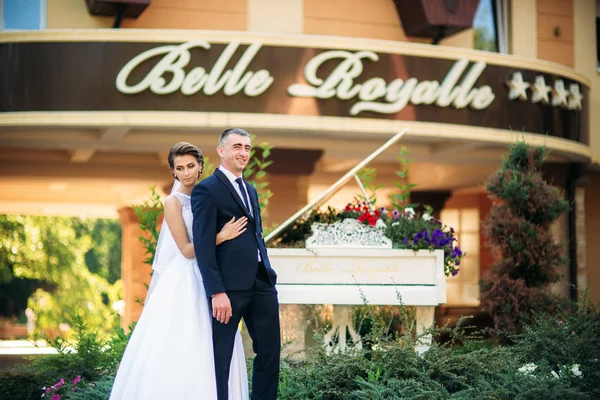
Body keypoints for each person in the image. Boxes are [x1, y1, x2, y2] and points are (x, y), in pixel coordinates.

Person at [109, 142, 250, 400]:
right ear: (173, 172)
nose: (185, 173)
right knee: (185, 340)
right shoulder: (173, 202)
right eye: (179, 168)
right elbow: (185, 249)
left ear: (200, 167)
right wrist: (221, 236)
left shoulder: (212, 194)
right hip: (186, 278)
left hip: (214, 274)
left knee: (217, 341)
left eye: (190, 166)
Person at [192, 128, 281, 400]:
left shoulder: (251, 190)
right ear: (221, 151)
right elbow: (203, 246)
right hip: (228, 290)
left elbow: (256, 235)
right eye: (237, 147)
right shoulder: (206, 190)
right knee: (221, 357)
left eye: (247, 148)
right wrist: (216, 291)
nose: (243, 153)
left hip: (262, 282)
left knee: (269, 352)